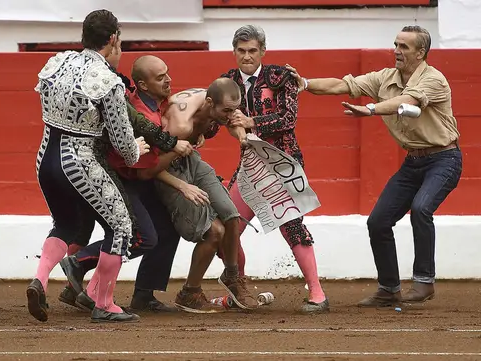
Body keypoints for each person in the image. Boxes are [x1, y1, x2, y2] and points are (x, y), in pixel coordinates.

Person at [286, 25, 461, 307]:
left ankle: (424, 282)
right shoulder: (385, 78)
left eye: (404, 47)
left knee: (421, 208)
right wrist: (305, 84)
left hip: (444, 159)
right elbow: (342, 85)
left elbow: (407, 100)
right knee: (378, 221)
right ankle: (389, 288)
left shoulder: (434, 79)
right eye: (396, 44)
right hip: (413, 162)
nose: (397, 51)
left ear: (421, 53)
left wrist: (369, 109)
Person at [27, 9, 151, 324]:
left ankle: (40, 280)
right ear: (111, 40)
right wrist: (135, 150)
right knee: (121, 226)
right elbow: (124, 143)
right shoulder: (107, 80)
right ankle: (104, 303)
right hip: (77, 160)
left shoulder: (57, 62)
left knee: (65, 224)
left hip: (45, 158)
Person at [58, 55, 194, 313]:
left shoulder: (157, 100)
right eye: (160, 77)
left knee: (166, 229)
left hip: (135, 180)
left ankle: (142, 293)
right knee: (142, 237)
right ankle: (80, 263)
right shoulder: (139, 115)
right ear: (142, 85)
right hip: (123, 180)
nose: (169, 80)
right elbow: (144, 171)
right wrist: (177, 151)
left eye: (167, 73)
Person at [219, 25, 329, 314]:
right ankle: (239, 290)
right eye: (241, 51)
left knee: (292, 227)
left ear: (263, 51)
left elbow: (288, 119)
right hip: (250, 167)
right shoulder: (227, 81)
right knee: (227, 229)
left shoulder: (281, 77)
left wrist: (250, 122)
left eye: (252, 50)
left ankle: (317, 293)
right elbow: (222, 119)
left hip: (282, 164)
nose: (246, 56)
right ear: (234, 52)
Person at [157, 77, 260, 311]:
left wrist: (243, 138)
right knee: (215, 231)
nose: (230, 115)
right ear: (211, 103)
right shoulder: (182, 123)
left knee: (232, 217)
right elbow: (150, 163)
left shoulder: (218, 101)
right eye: (226, 111)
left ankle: (232, 277)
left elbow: (233, 121)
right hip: (167, 168)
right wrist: (181, 185)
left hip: (191, 158)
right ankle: (190, 293)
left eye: (233, 109)